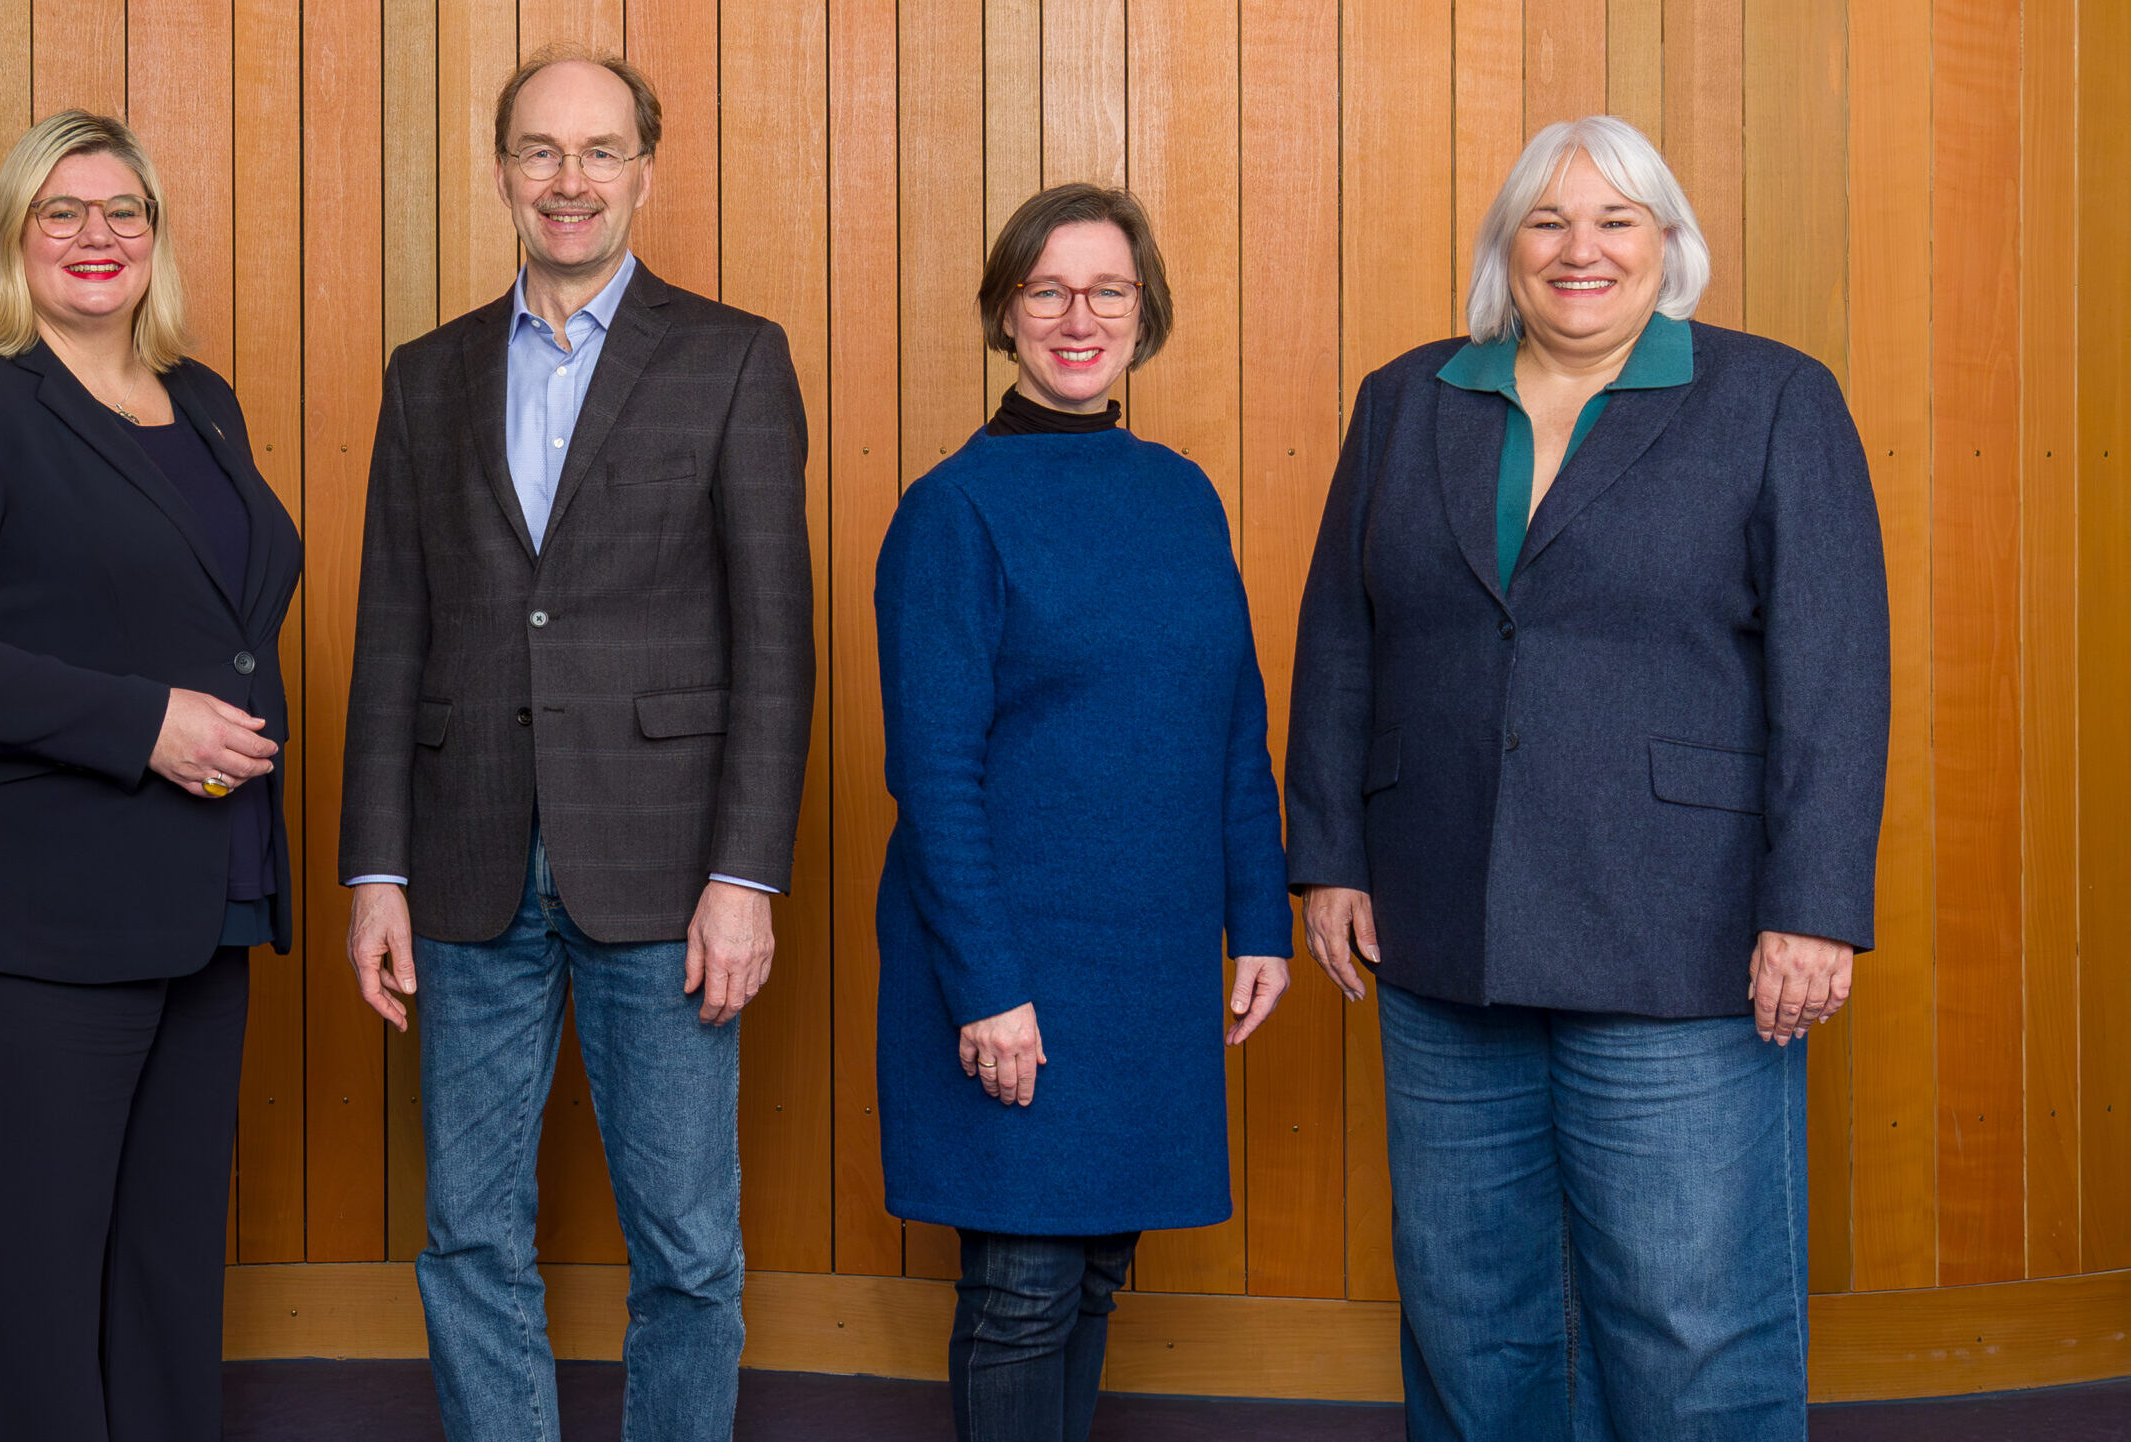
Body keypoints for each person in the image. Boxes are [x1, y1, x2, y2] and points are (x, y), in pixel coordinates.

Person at [1285, 115, 1889, 1441]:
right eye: (1548, 220)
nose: (1581, 249)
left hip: (1680, 934)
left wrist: (1818, 904)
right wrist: (1327, 854)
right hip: (1442, 932)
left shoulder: (1770, 398)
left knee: (1688, 1314)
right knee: (1467, 1307)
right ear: (1508, 245)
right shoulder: (1407, 399)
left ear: (1669, 243)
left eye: (1617, 219)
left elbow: (1834, 670)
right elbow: (1343, 638)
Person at [336, 44, 815, 1442]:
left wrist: (748, 876)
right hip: (466, 861)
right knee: (468, 1235)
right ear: (501, 171)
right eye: (541, 151)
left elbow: (775, 643)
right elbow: (391, 635)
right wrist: (376, 867)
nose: (570, 181)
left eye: (601, 152)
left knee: (686, 1247)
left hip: (667, 876)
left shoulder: (734, 357)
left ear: (645, 173)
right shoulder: (425, 379)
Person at [0, 110, 302, 1442]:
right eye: (63, 211)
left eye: (124, 213)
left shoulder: (199, 399)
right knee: (22, 1295)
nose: (96, 237)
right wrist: (141, 722)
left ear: (155, 239)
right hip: (21, 922)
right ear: (15, 238)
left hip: (195, 905)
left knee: (161, 1281)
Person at [872, 183, 1295, 1442]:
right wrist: (987, 987)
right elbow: (932, 773)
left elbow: (1231, 720)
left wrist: (1258, 918)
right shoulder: (953, 508)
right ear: (1005, 315)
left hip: (1148, 958)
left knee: (1097, 1265)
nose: (1078, 316)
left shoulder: (1180, 494)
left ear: (1143, 314)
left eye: (1107, 290)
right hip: (1017, 962)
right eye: (1046, 290)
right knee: (1022, 1286)